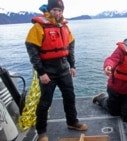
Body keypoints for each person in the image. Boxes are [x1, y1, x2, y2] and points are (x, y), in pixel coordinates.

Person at [25, 0, 87, 140]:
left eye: (60, 10)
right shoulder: (39, 27)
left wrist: (72, 65)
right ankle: (41, 132)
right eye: (55, 10)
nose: (57, 13)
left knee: (70, 97)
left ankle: (72, 122)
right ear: (49, 9)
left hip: (64, 68)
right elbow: (32, 51)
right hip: (47, 70)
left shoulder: (64, 26)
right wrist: (41, 72)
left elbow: (70, 46)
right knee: (45, 102)